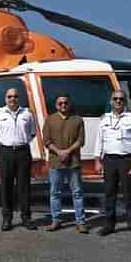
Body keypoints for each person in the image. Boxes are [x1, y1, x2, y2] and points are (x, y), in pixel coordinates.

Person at [94, 89, 131, 241]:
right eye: (115, 99)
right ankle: (109, 225)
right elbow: (99, 141)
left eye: (121, 99)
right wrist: (97, 160)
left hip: (127, 160)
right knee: (109, 194)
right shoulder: (104, 119)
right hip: (109, 160)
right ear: (111, 101)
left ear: (125, 102)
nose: (118, 101)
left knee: (130, 195)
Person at [0, 87, 37, 231]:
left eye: (15, 96)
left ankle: (26, 218)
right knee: (6, 187)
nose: (12, 99)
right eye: (9, 96)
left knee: (24, 187)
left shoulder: (27, 113)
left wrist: (19, 142)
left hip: (23, 152)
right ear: (5, 99)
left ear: (19, 98)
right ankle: (7, 219)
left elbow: (32, 133)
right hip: (6, 153)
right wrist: (5, 144)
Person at [42, 93, 88, 233]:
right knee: (55, 192)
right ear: (56, 105)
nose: (63, 105)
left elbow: (81, 141)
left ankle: (80, 222)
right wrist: (59, 152)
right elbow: (46, 141)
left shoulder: (78, 120)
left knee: (77, 192)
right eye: (60, 103)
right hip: (56, 163)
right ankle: (56, 220)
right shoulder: (50, 119)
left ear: (70, 104)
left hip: (73, 162)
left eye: (65, 103)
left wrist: (67, 151)